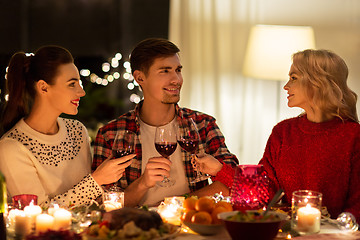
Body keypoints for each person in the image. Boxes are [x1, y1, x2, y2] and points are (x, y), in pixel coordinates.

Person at [197, 49, 360, 222]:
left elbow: (357, 206)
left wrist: (333, 231)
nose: (286, 86)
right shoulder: (283, 132)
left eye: (294, 78)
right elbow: (263, 194)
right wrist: (219, 170)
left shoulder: (353, 136)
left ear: (317, 83)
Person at [92, 38, 238, 207]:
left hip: (193, 227)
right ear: (140, 78)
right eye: (165, 71)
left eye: (178, 70)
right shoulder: (111, 134)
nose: (176, 79)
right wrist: (143, 183)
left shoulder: (203, 125)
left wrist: (173, 205)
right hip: (138, 229)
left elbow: (233, 184)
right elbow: (105, 205)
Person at [0, 45, 134, 207]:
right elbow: (36, 214)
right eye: (72, 84)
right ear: (43, 87)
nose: (81, 92)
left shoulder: (77, 130)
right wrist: (97, 180)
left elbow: (91, 203)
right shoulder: (11, 148)